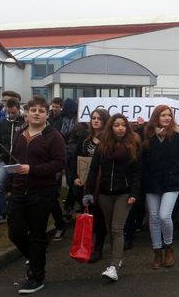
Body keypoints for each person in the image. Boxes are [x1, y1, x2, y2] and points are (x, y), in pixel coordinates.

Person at [6, 95, 66, 294]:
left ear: (47, 115)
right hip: (17, 190)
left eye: (41, 111)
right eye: (33, 110)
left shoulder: (54, 136)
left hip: (41, 192)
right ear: (27, 113)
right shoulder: (20, 134)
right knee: (15, 233)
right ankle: (34, 256)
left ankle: (36, 276)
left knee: (38, 235)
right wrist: (8, 185)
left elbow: (59, 163)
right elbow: (14, 159)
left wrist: (32, 169)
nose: (37, 114)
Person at [83, 113, 142, 281]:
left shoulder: (133, 145)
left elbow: (138, 172)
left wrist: (134, 193)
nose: (120, 128)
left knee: (117, 229)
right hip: (104, 195)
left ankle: (114, 267)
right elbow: (93, 170)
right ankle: (118, 258)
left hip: (124, 194)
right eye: (117, 125)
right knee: (111, 229)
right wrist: (88, 191)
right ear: (111, 127)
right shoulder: (103, 146)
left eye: (123, 125)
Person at [142, 105, 179, 269]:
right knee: (154, 217)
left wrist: (173, 171)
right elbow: (142, 159)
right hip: (152, 182)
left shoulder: (177, 136)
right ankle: (157, 251)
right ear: (156, 117)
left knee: (164, 216)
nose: (167, 118)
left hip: (171, 182)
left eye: (169, 115)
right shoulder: (148, 136)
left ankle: (169, 247)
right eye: (163, 115)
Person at [70, 108, 109, 263]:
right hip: (86, 183)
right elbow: (74, 159)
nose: (96, 121)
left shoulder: (109, 140)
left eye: (99, 118)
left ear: (105, 121)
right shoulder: (85, 140)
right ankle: (88, 243)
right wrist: (74, 177)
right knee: (90, 214)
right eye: (93, 118)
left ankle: (98, 248)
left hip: (103, 184)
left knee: (99, 216)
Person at [0, 97, 25, 225]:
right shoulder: (3, 123)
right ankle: (1, 212)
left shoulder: (24, 123)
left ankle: (18, 212)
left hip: (20, 161)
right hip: (5, 160)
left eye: (13, 112)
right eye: (9, 112)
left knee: (17, 187)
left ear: (18, 109)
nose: (11, 115)